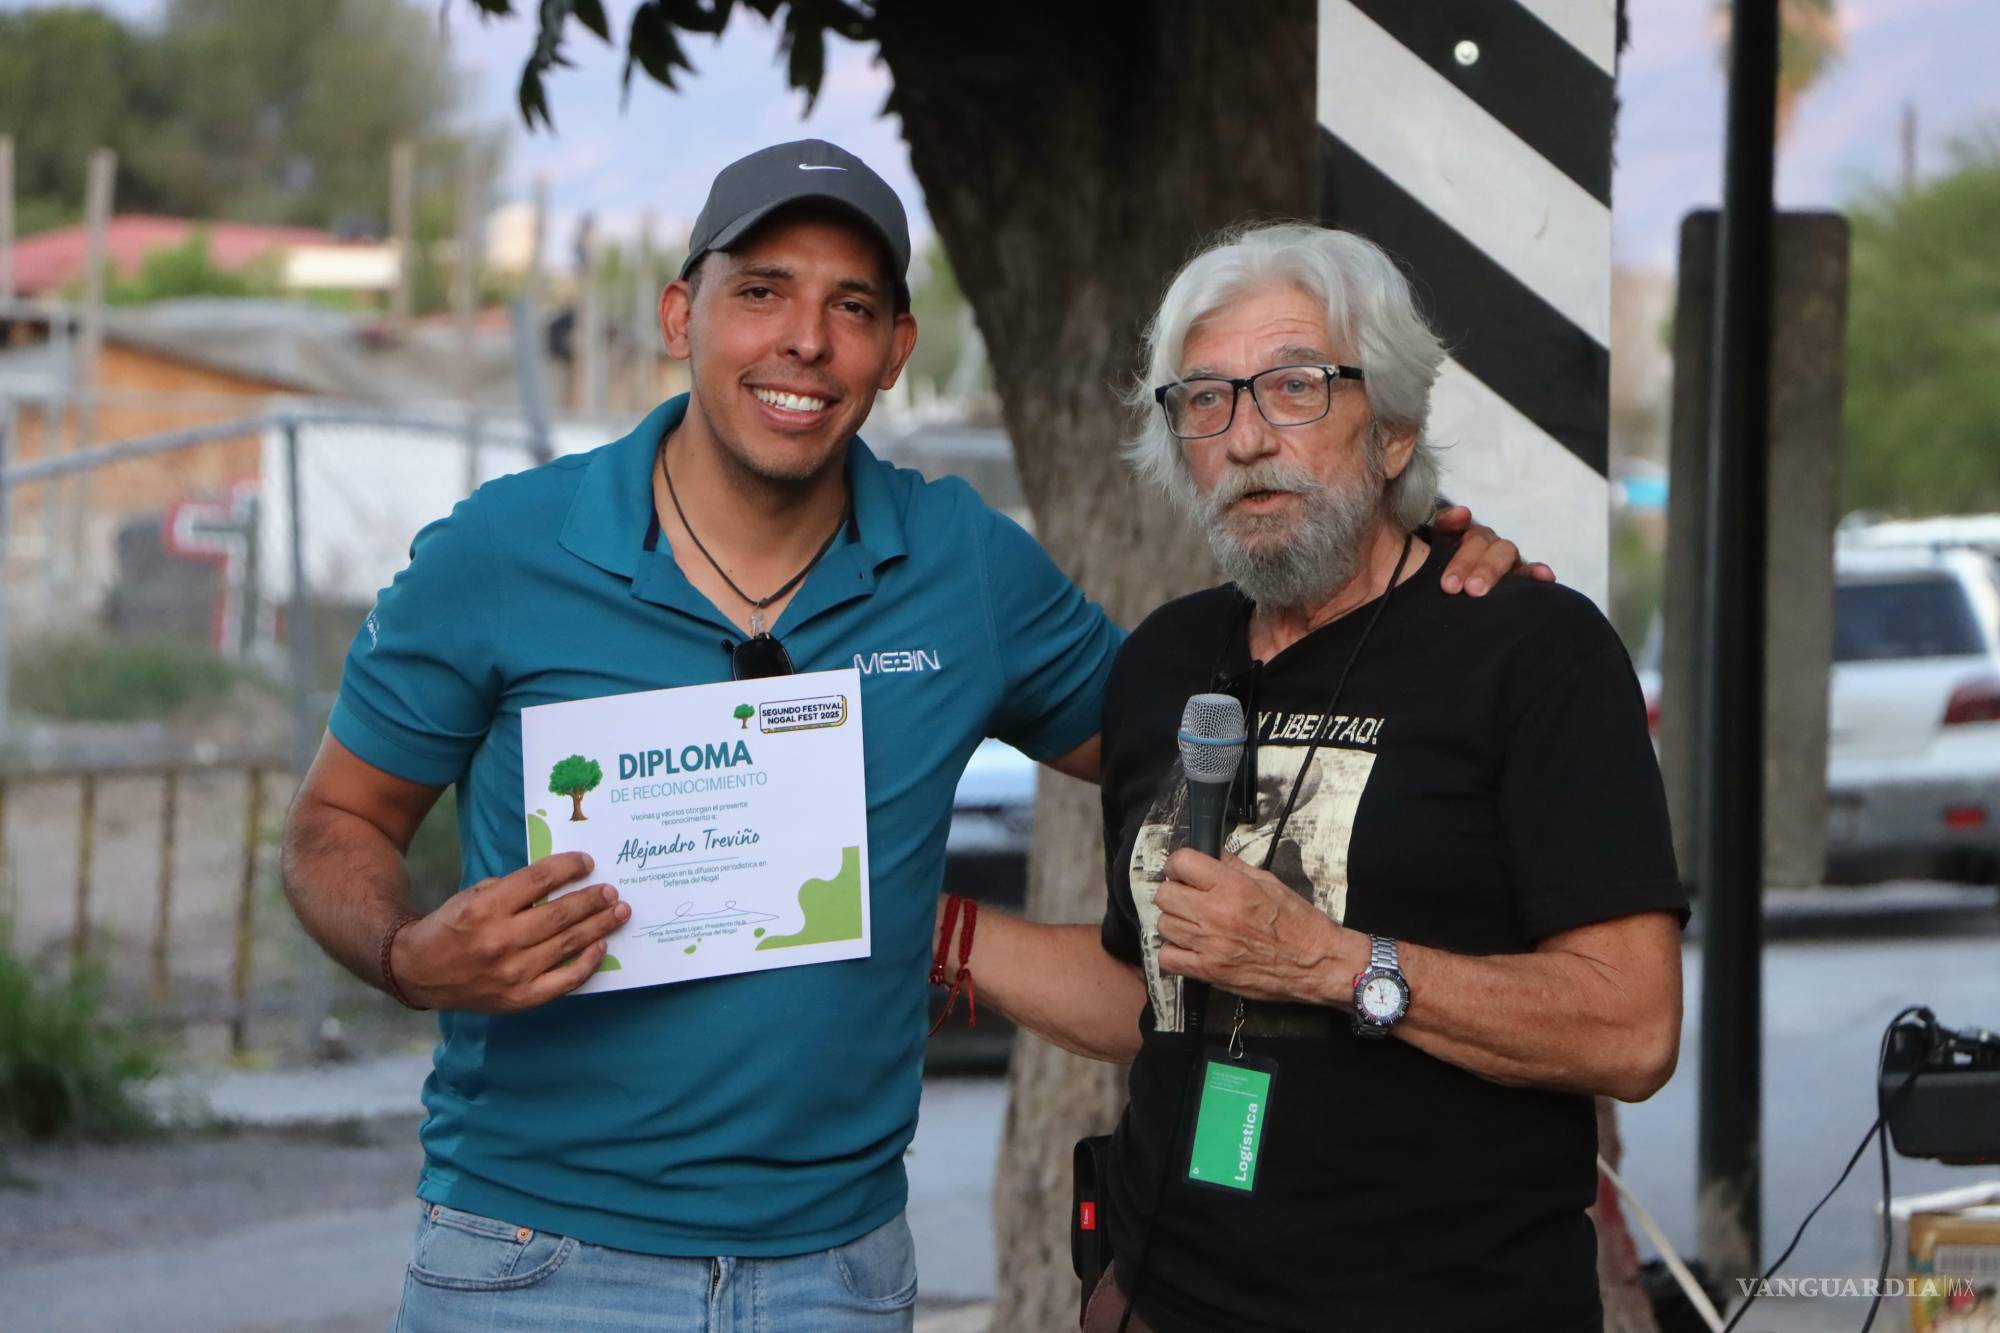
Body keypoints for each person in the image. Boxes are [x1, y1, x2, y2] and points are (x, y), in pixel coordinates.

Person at [279, 141, 1541, 1331]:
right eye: (761, 290)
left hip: (837, 1268)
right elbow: (337, 824)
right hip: (533, 1256)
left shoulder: (961, 565)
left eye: (852, 307)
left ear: (894, 349)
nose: (805, 342)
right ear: (682, 317)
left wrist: (1403, 563)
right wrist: (405, 952)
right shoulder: (499, 553)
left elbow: (1214, 729)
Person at [936, 222, 1688, 1332]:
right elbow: (1150, 992)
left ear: (1391, 431)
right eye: (1205, 399)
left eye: (1293, 388)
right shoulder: (1163, 663)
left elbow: (1630, 1029)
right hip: (1167, 1293)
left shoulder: (1529, 650)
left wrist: (1329, 963)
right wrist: (930, 930)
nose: (1245, 439)